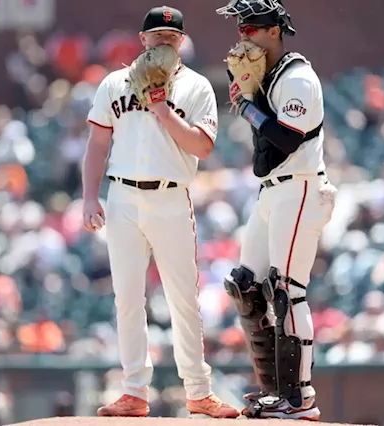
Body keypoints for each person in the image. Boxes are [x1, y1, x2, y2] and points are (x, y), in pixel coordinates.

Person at [82, 5, 239, 419]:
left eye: (172, 37)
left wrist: (161, 107)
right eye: (158, 36)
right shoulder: (115, 83)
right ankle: (134, 390)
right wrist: (88, 196)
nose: (165, 42)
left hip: (171, 196)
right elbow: (98, 144)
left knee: (183, 297)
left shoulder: (197, 87)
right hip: (123, 198)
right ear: (143, 39)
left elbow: (202, 147)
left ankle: (199, 391)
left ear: (181, 41)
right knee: (127, 298)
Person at [215, 0, 337, 420]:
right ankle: (275, 392)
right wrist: (250, 98)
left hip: (301, 188)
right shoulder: (267, 79)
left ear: (273, 31)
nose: (243, 35)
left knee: (287, 292)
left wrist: (248, 106)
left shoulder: (298, 77)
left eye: (251, 28)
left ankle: (299, 398)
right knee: (246, 286)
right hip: (273, 191)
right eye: (240, 29)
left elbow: (287, 139)